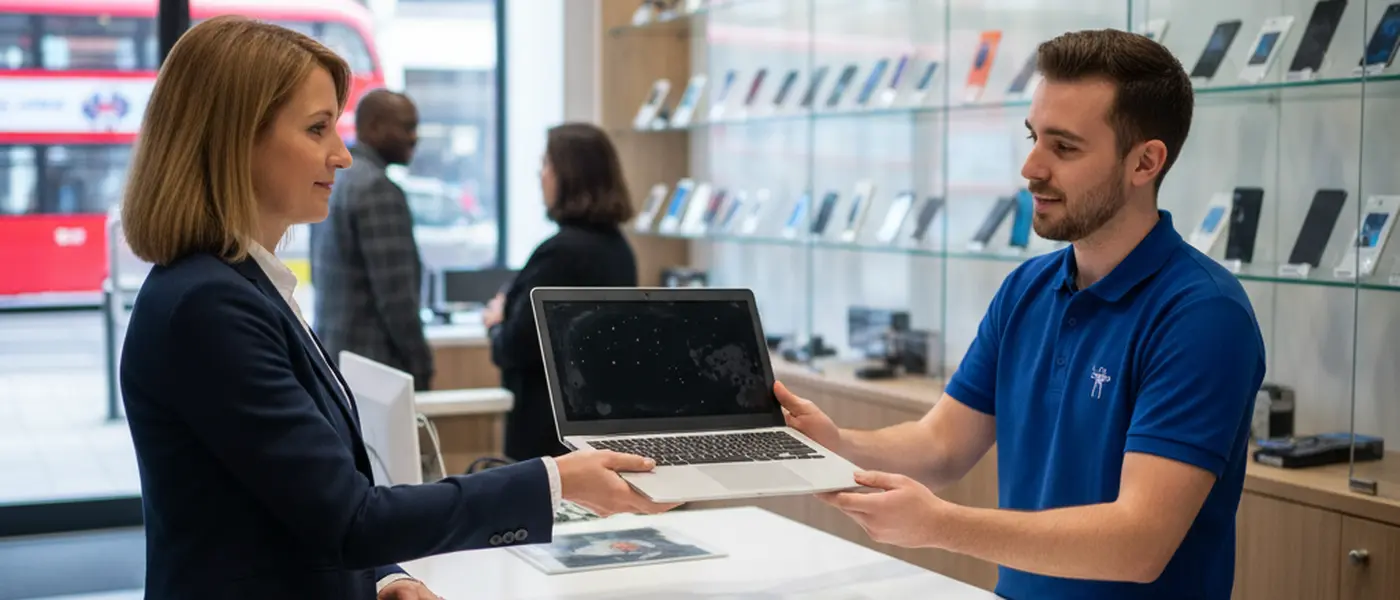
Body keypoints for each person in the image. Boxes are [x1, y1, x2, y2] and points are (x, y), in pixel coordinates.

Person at [118, 17, 674, 600]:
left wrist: (386, 578)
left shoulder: (237, 285)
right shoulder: (208, 305)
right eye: (317, 129)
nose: (341, 156)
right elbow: (349, 518)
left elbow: (291, 508)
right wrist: (554, 480)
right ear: (235, 139)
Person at [776, 29, 1265, 600]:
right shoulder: (1026, 290)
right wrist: (837, 443)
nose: (1031, 167)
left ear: (1145, 162)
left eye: (1064, 147)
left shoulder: (1203, 315)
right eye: (1034, 137)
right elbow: (941, 446)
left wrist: (940, 525)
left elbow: (1139, 542)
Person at [483, 123, 639, 461]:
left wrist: (495, 322)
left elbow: (515, 346)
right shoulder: (618, 248)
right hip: (595, 423)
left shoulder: (560, 253)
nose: (541, 176)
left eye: (546, 165)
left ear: (569, 175)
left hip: (547, 430)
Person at [310, 89, 434, 391]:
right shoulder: (377, 190)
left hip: (335, 361)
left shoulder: (335, 180)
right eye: (407, 127)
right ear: (375, 127)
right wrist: (421, 365)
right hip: (376, 369)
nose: (414, 137)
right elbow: (396, 298)